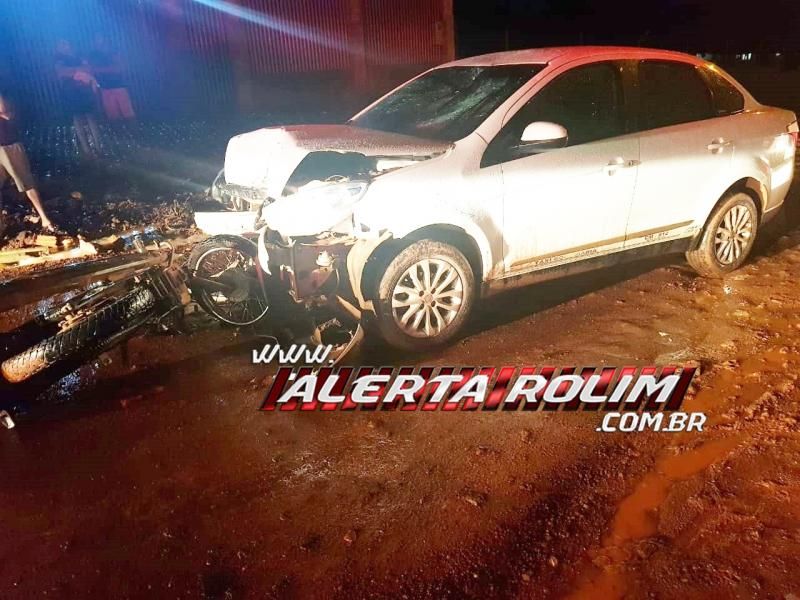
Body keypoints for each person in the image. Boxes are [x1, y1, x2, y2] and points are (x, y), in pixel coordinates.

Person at [0, 91, 54, 230]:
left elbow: (5, 112)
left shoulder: (5, 99)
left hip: (8, 146)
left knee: (26, 183)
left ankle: (45, 219)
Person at [54, 39, 102, 156]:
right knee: (78, 119)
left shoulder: (79, 56)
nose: (64, 47)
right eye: (61, 45)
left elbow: (88, 68)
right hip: (71, 94)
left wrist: (74, 71)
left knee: (91, 118)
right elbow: (61, 72)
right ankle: (86, 149)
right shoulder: (59, 60)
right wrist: (78, 69)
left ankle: (99, 147)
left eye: (66, 44)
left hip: (85, 92)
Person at [88, 34, 135, 121]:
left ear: (106, 40)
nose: (98, 41)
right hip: (105, 88)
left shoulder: (114, 52)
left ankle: (134, 133)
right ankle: (119, 133)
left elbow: (119, 68)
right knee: (112, 115)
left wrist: (98, 70)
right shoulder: (93, 54)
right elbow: (90, 69)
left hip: (119, 86)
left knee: (127, 114)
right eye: (96, 39)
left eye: (100, 39)